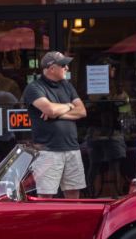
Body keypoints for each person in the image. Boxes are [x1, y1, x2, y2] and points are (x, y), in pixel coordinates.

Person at [22, 51, 87, 198]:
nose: (67, 68)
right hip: (48, 151)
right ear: (51, 68)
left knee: (73, 193)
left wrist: (60, 112)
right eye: (63, 65)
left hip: (72, 148)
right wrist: (70, 106)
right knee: (46, 196)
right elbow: (50, 110)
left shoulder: (67, 86)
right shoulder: (34, 88)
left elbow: (82, 111)